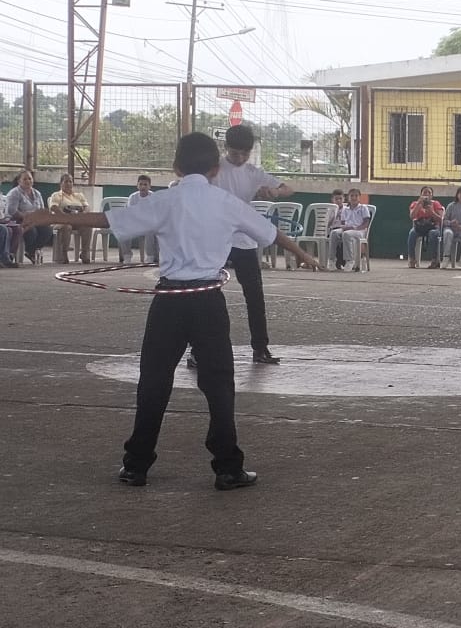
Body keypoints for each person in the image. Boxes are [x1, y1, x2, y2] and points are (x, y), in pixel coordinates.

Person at [22, 132, 321, 489]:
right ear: (215, 169)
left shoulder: (164, 201)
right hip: (208, 302)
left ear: (176, 167)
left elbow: (107, 220)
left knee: (153, 381)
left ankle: (136, 465)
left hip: (169, 301)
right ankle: (228, 468)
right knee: (219, 385)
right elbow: (271, 234)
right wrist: (303, 255)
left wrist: (48, 217)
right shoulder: (227, 203)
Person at [205, 124, 295, 367]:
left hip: (244, 240)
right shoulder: (213, 170)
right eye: (235, 153)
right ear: (226, 148)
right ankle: (198, 351)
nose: (240, 158)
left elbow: (288, 187)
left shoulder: (254, 173)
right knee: (206, 296)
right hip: (215, 239)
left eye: (245, 154)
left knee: (255, 296)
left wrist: (274, 191)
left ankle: (260, 348)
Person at [6, 168, 50, 264]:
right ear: (19, 181)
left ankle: (31, 251)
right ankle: (30, 251)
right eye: (25, 179)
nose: (28, 181)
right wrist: (25, 217)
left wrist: (39, 218)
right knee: (31, 231)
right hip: (19, 220)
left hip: (35, 220)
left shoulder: (37, 193)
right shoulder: (14, 193)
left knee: (47, 231)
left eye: (30, 179)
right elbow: (11, 211)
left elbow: (41, 209)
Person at [48, 173, 92, 264]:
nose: (68, 183)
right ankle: (63, 254)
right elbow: (53, 207)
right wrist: (65, 216)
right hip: (61, 221)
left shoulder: (79, 196)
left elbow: (87, 207)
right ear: (61, 183)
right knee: (66, 227)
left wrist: (83, 214)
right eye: (66, 181)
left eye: (70, 181)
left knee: (87, 226)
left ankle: (85, 254)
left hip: (77, 221)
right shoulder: (56, 195)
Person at [329, 189, 373, 272]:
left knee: (347, 234)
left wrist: (355, 228)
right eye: (351, 196)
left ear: (359, 197)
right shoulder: (345, 209)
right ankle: (332, 260)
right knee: (334, 233)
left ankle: (349, 260)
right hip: (347, 229)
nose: (354, 198)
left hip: (359, 231)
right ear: (348, 198)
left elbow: (366, 223)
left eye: (356, 196)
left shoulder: (363, 208)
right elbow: (343, 223)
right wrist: (344, 227)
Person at [124, 175, 159, 264]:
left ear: (149, 186)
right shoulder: (132, 197)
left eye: (145, 184)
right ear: (137, 185)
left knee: (150, 230)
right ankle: (127, 255)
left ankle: (150, 256)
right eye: (141, 184)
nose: (143, 187)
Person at [408, 186, 443, 268]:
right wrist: (418, 205)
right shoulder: (415, 204)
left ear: (432, 195)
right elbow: (412, 216)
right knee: (412, 233)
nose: (427, 194)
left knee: (433, 234)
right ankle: (412, 259)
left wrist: (432, 212)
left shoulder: (436, 204)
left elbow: (440, 219)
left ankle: (435, 260)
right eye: (424, 192)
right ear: (421, 195)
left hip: (433, 227)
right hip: (419, 227)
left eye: (429, 192)